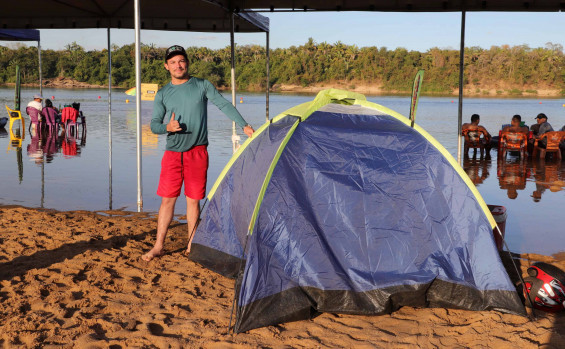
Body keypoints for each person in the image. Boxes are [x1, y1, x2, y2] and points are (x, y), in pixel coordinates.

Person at [142, 45, 255, 262]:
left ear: (187, 63)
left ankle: (192, 244)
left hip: (198, 152)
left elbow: (223, 105)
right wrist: (168, 127)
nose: (178, 65)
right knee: (167, 200)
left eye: (181, 60)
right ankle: (158, 246)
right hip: (173, 154)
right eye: (173, 62)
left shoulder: (202, 85)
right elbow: (154, 125)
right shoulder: (163, 93)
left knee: (193, 201)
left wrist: (244, 125)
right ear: (166, 66)